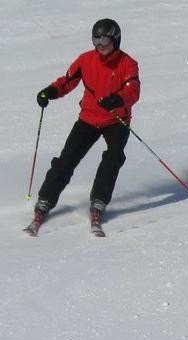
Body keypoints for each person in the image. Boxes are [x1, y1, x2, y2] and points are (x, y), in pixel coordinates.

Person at [25, 19, 140, 237]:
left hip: (116, 119)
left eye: (104, 40)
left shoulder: (128, 64)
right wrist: (50, 91)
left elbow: (133, 90)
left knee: (114, 157)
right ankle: (45, 200)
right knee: (67, 160)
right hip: (89, 118)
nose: (100, 45)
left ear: (115, 39)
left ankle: (99, 201)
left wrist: (117, 99)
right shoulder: (86, 59)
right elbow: (67, 81)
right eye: (96, 40)